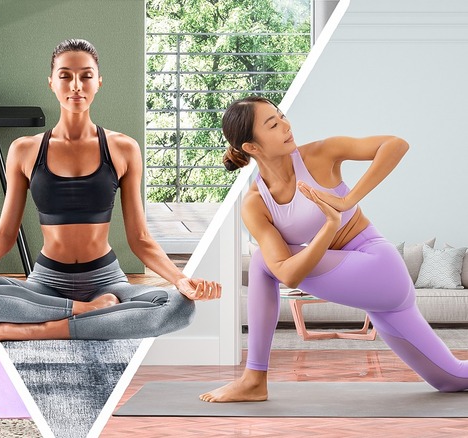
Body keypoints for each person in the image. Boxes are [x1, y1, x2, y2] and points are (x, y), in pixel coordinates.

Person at [0, 39, 221, 342]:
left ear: (99, 82)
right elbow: (4, 236)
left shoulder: (123, 148)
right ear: (51, 82)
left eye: (86, 76)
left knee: (180, 308)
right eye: (65, 75)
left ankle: (46, 327)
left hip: (107, 282)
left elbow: (140, 240)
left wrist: (182, 280)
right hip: (46, 282)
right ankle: (86, 311)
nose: (76, 85)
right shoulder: (25, 150)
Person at [200, 95, 468, 403]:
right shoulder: (256, 203)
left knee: (263, 260)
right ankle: (253, 381)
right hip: (376, 296)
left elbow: (395, 145)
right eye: (273, 124)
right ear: (251, 147)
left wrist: (346, 201)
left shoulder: (319, 154)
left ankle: (253, 379)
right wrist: (329, 226)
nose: (286, 125)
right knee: (451, 379)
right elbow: (288, 275)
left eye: (282, 116)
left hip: (378, 267)